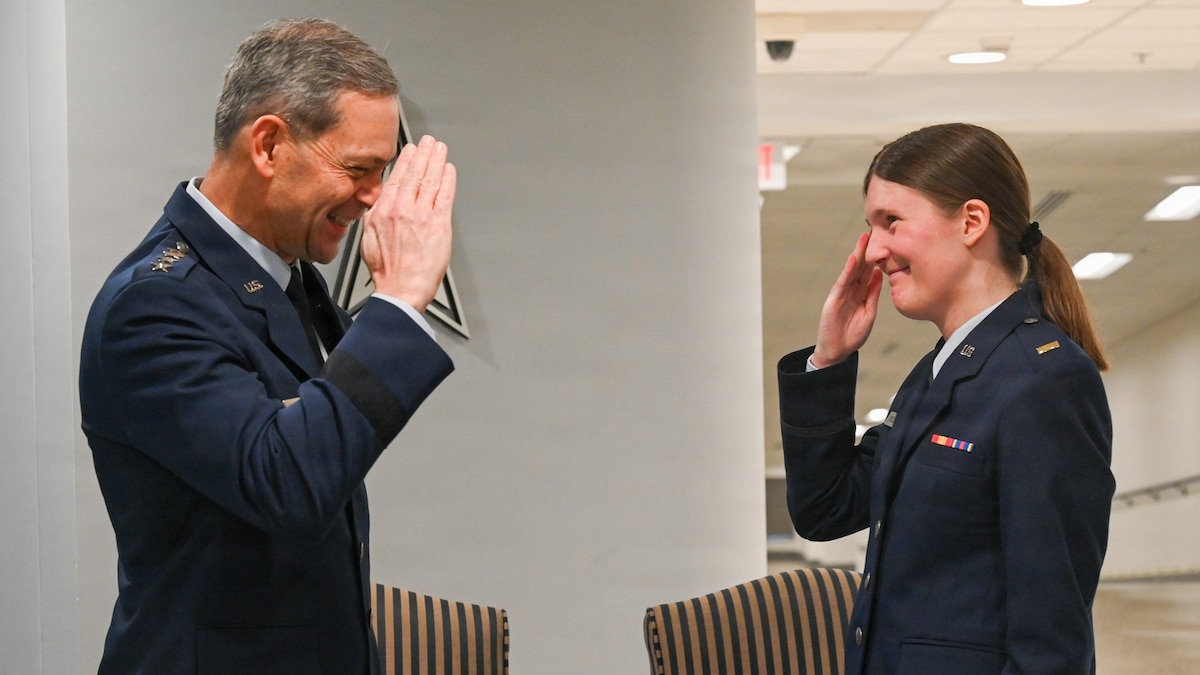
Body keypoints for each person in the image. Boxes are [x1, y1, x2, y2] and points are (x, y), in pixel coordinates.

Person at [79, 18, 456, 674]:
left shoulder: (284, 275)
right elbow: (287, 479)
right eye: (358, 169)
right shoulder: (154, 304)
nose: (374, 199)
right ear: (270, 145)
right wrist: (396, 301)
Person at [778, 123, 1114, 674]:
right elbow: (827, 510)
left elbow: (1051, 636)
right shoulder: (938, 371)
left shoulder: (1043, 381)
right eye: (870, 226)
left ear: (971, 222)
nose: (874, 250)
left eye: (891, 222)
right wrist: (829, 362)